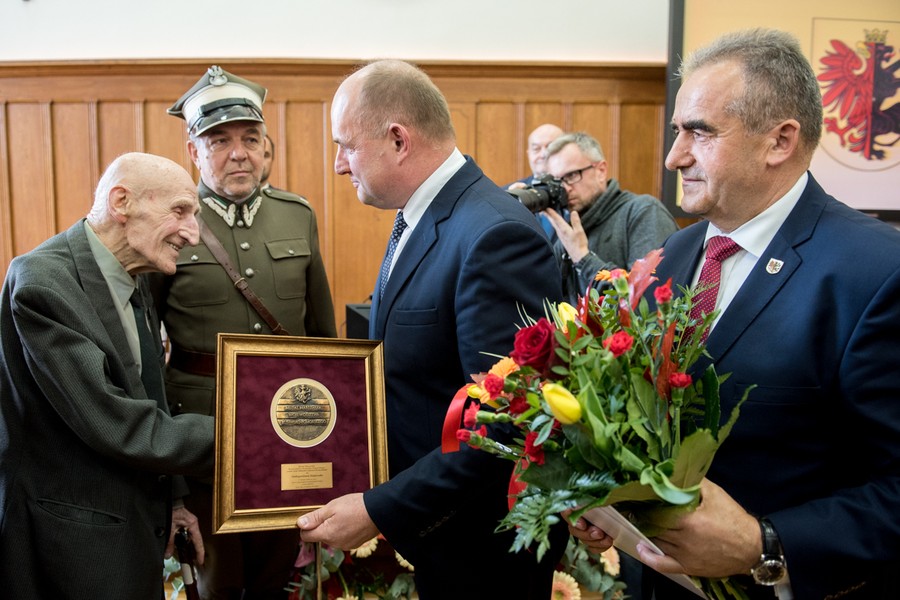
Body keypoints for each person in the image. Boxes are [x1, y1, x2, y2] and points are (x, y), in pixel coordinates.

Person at [568, 28, 900, 600]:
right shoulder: (672, 254)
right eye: (677, 131)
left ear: (780, 141)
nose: (674, 156)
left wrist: (765, 545)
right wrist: (610, 500)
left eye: (699, 132)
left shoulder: (876, 271)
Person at [295, 59, 567, 599]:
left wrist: (378, 509)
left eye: (346, 146)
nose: (339, 165)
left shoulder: (493, 235)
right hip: (445, 534)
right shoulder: (423, 214)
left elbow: (503, 428)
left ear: (398, 140)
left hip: (483, 551)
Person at [154, 65, 337, 600]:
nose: (239, 154)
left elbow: (323, 339)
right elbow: (144, 349)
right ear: (193, 151)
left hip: (287, 427)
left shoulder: (297, 215)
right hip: (201, 434)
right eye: (220, 141)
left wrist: (332, 444)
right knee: (216, 579)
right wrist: (170, 477)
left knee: (277, 573)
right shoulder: (169, 222)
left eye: (250, 139)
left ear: (265, 146)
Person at [0, 152, 215, 600]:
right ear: (122, 203)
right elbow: (116, 423)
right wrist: (245, 437)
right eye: (180, 211)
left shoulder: (132, 272)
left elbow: (149, 392)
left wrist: (175, 501)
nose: (193, 233)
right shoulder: (42, 283)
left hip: (136, 524)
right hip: (76, 543)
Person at [542, 131, 678, 303]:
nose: (565, 188)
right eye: (558, 182)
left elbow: (646, 300)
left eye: (572, 175)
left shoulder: (643, 211)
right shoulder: (569, 225)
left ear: (601, 170)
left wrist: (582, 257)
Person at [507, 123, 565, 239]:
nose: (543, 154)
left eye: (551, 147)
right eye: (536, 149)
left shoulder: (576, 193)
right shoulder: (510, 194)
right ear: (528, 154)